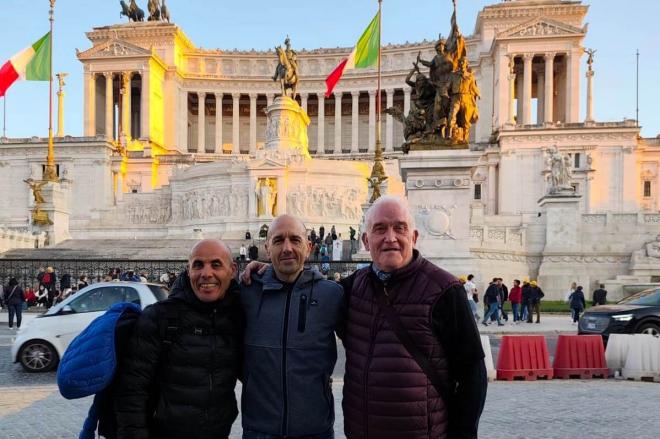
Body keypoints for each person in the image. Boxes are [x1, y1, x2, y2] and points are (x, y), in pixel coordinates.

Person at [242, 197, 487, 438]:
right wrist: (265, 271)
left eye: (399, 228)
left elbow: (472, 374)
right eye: (380, 229)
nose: (390, 237)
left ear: (413, 237)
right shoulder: (348, 290)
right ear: (366, 241)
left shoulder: (444, 290)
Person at [114, 239, 244, 439]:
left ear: (232, 269)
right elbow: (132, 389)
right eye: (198, 265)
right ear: (188, 270)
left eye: (216, 264)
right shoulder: (159, 316)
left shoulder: (238, 315)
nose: (206, 273)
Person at [240, 215, 344, 439]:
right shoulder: (245, 291)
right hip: (259, 432)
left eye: (295, 240)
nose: (287, 248)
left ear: (309, 247)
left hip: (315, 431)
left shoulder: (332, 294)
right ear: (267, 248)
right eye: (278, 241)